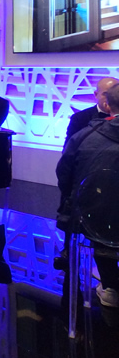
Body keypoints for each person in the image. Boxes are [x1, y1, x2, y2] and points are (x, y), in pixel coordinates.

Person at [56, 83, 119, 307]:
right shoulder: (82, 125)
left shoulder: (84, 136)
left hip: (94, 220)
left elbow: (64, 176)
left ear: (108, 104)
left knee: (100, 219)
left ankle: (111, 287)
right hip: (99, 219)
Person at [66, 77, 118, 143]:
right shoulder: (79, 118)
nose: (110, 98)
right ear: (96, 94)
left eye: (114, 95)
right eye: (105, 94)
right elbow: (70, 147)